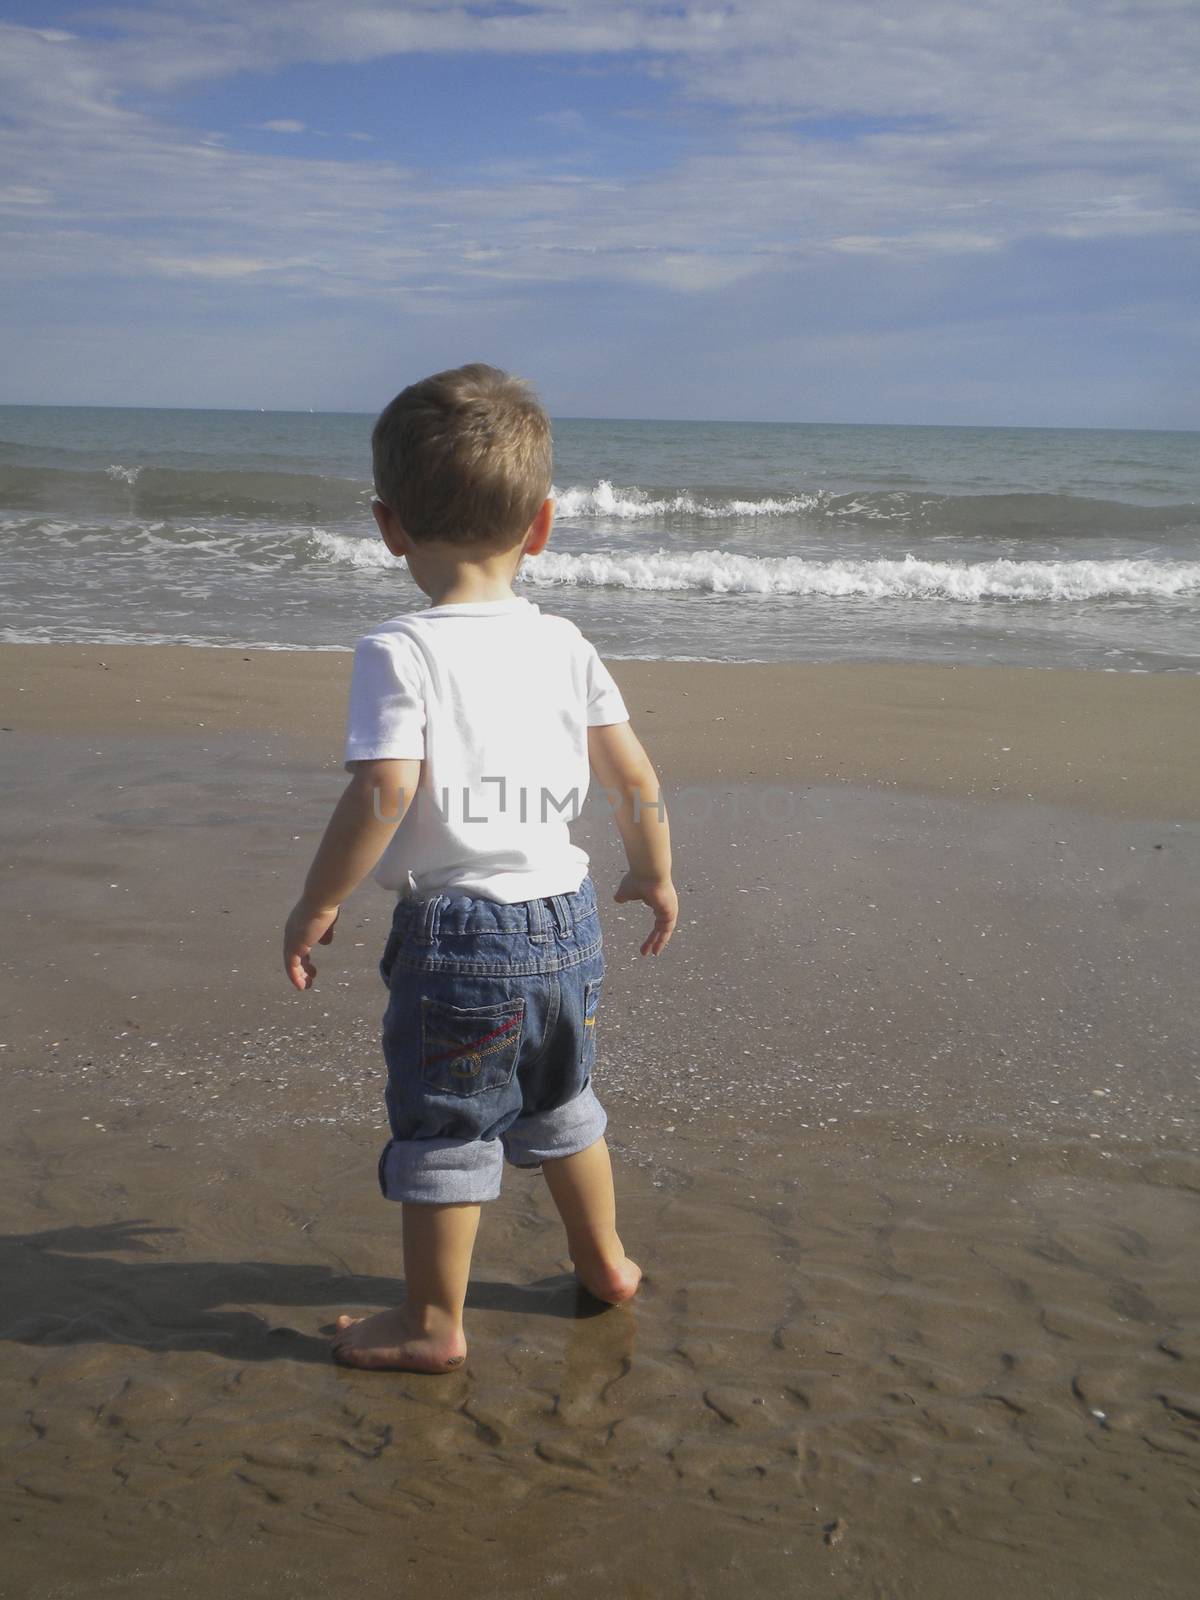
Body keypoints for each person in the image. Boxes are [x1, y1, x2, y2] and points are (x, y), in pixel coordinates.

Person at [282, 364, 677, 1373]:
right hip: (569, 915)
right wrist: (653, 871)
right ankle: (606, 1264)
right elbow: (632, 772)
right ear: (541, 525)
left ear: (388, 526)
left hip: (462, 938)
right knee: (561, 1104)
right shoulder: (563, 639)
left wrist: (318, 899)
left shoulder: (401, 647)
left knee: (448, 1129)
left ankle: (431, 1324)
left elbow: (383, 793)